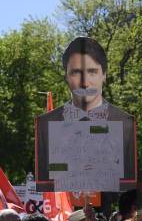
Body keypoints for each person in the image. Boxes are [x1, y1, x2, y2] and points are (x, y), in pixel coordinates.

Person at [35, 36, 136, 193]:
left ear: (104, 75)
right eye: (76, 72)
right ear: (66, 76)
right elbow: (46, 183)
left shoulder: (125, 124)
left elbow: (127, 182)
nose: (85, 82)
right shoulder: (45, 125)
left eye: (92, 72)